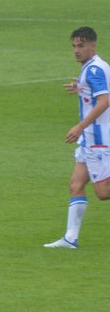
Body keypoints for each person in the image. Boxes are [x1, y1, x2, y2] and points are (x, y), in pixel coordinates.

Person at [45, 26, 110, 249]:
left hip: (99, 139)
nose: (76, 50)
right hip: (89, 140)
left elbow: (104, 102)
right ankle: (70, 239)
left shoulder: (94, 70)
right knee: (76, 184)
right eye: (73, 46)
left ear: (93, 45)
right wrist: (81, 88)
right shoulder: (96, 66)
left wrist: (80, 127)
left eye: (81, 46)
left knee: (103, 192)